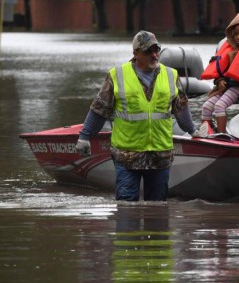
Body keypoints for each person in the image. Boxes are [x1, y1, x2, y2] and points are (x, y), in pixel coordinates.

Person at [75, 30, 197, 201]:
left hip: (160, 155)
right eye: (148, 51)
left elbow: (181, 109)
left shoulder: (171, 75)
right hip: (127, 156)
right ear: (136, 53)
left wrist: (194, 131)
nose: (154, 54)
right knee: (126, 210)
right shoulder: (117, 75)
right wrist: (84, 136)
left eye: (157, 49)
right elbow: (99, 109)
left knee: (157, 212)